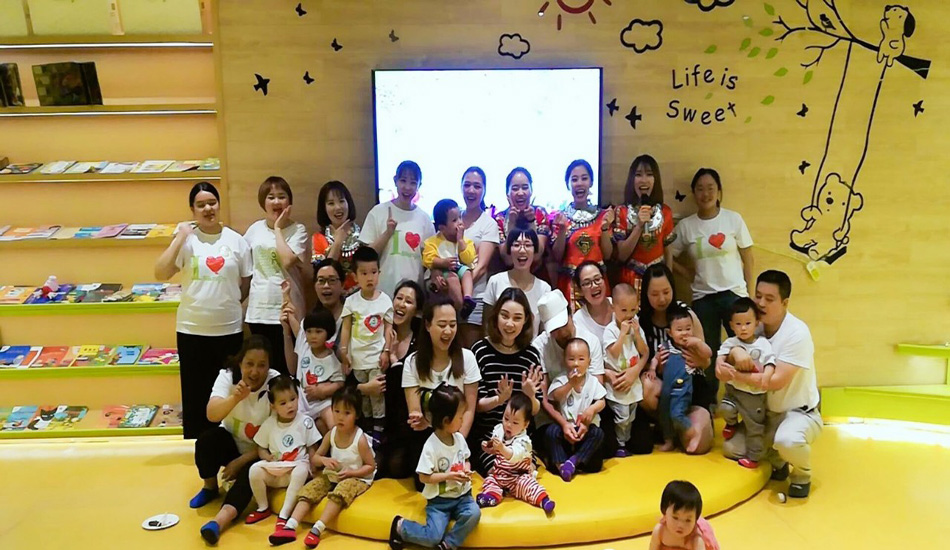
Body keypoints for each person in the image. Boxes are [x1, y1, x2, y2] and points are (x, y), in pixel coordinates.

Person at [154, 181, 252, 439]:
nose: (208, 209)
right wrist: (180, 237)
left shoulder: (236, 241)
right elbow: (160, 272)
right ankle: (199, 449)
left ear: (219, 205)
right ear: (192, 210)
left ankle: (228, 446)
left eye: (212, 203)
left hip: (229, 330)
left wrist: (226, 303)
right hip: (192, 329)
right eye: (201, 205)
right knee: (195, 394)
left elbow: (246, 282)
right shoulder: (187, 241)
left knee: (227, 393)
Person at [719, 270, 821, 499]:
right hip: (766, 415)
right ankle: (777, 459)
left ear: (785, 303)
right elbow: (730, 348)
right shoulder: (754, 325)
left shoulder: (797, 333)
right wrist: (734, 352)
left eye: (769, 298)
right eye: (758, 296)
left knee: (787, 440)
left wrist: (734, 374)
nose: (761, 303)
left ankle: (802, 473)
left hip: (799, 413)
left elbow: (774, 382)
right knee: (731, 448)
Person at [669, 168, 755, 401]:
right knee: (707, 353)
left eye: (710, 188)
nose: (705, 194)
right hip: (703, 298)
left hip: (734, 294)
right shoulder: (687, 226)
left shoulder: (733, 219)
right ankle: (708, 403)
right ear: (693, 193)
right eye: (700, 189)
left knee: (744, 347)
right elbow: (668, 253)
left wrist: (750, 295)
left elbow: (748, 258)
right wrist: (687, 274)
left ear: (719, 192)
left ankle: (747, 399)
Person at [194, 337, 280, 544]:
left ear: (269, 366)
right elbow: (212, 415)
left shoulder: (277, 383)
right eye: (249, 364)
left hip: (260, 452)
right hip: (231, 441)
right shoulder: (227, 376)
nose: (255, 372)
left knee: (251, 474)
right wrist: (235, 398)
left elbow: (277, 437)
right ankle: (210, 488)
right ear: (240, 363)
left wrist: (240, 462)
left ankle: (218, 523)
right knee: (205, 441)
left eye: (262, 365)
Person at [271, 387, 376, 548]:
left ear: (357, 415)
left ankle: (317, 529)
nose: (340, 417)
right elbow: (315, 458)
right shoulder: (332, 433)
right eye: (336, 411)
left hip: (357, 476)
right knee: (312, 487)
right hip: (334, 474)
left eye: (347, 413)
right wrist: (324, 460)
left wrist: (352, 472)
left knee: (341, 491)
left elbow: (370, 466)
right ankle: (290, 526)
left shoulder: (359, 439)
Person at [390, 384, 481, 550]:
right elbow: (423, 477)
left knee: (474, 513)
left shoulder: (459, 438)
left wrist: (466, 468)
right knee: (432, 536)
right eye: (460, 417)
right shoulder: (431, 446)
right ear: (446, 420)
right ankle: (401, 527)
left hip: (463, 497)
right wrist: (449, 476)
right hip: (439, 502)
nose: (463, 420)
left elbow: (466, 458)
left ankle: (448, 544)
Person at [638, 264, 716, 448]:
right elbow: (639, 361)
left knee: (697, 447)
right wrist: (655, 366)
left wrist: (699, 360)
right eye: (654, 294)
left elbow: (707, 359)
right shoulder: (641, 320)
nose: (661, 299)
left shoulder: (685, 314)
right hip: (664, 387)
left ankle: (679, 427)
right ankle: (668, 428)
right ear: (645, 294)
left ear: (673, 289)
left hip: (691, 385)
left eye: (666, 292)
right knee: (646, 386)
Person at [469, 287, 544, 475]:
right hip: (489, 435)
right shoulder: (480, 351)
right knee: (501, 473)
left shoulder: (531, 355)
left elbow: (535, 409)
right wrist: (499, 400)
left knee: (525, 472)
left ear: (526, 320)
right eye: (504, 316)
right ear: (496, 316)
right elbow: (475, 405)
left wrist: (530, 395)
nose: (510, 324)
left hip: (520, 436)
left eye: (517, 318)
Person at [244, 176, 311, 375]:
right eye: (271, 197)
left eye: (281, 196)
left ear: (289, 201)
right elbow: (243, 264)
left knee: (288, 372)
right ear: (263, 202)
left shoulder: (298, 230)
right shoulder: (254, 229)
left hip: (288, 311)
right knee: (262, 373)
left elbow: (287, 260)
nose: (276, 202)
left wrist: (278, 229)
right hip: (258, 312)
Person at [245, 376, 321, 532]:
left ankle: (284, 514)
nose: (290, 405)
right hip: (276, 469)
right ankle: (262, 507)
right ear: (273, 406)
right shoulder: (269, 423)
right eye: (283, 403)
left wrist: (314, 468)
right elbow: (261, 448)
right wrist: (266, 457)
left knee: (301, 470)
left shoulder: (305, 421)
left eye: (293, 399)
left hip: (296, 470)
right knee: (254, 470)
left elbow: (312, 447)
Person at [338, 246, 394, 442]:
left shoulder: (385, 300)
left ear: (379, 273)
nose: (370, 277)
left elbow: (389, 329)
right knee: (363, 397)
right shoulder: (351, 302)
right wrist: (344, 352)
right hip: (357, 358)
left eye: (373, 272)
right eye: (364, 273)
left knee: (377, 394)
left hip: (377, 358)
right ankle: (368, 428)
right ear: (355, 276)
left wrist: (386, 351)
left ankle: (379, 429)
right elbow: (346, 328)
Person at [360, 160, 435, 296]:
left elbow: (429, 262)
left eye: (413, 182)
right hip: (381, 294)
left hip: (413, 297)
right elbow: (366, 257)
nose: (407, 187)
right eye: (403, 180)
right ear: (395, 181)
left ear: (419, 185)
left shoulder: (424, 219)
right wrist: (388, 233)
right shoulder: (378, 212)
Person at [717, 297, 776, 469]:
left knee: (754, 428)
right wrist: (720, 364)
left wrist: (766, 376)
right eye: (738, 324)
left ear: (757, 323)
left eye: (748, 323)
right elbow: (721, 357)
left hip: (754, 397)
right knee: (725, 408)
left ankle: (754, 457)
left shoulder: (763, 344)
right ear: (731, 325)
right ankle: (732, 423)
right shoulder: (731, 342)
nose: (743, 328)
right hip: (734, 392)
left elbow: (770, 362)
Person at [376, 280, 425, 479]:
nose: (402, 304)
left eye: (409, 301)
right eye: (399, 298)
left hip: (407, 422)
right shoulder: (376, 333)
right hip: (379, 417)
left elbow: (404, 387)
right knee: (378, 467)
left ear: (417, 311)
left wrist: (395, 359)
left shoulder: (421, 339)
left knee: (397, 467)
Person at [475, 393, 554, 512]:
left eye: (515, 423)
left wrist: (502, 448)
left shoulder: (524, 441)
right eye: (506, 418)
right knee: (490, 480)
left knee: (528, 485)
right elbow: (495, 450)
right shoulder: (499, 430)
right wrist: (488, 447)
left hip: (518, 476)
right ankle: (492, 497)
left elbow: (515, 455)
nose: (508, 425)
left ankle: (543, 500)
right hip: (500, 475)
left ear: (525, 424)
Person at [544, 338, 607, 481]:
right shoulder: (561, 379)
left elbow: (602, 401)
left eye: (581, 359)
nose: (576, 363)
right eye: (571, 359)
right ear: (564, 360)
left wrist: (592, 409)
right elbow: (555, 396)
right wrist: (570, 384)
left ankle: (573, 462)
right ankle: (561, 465)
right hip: (565, 428)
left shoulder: (592, 381)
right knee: (551, 432)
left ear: (589, 362)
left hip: (584, 428)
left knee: (598, 434)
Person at [551, 159, 612, 303]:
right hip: (570, 286)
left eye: (584, 178)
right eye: (574, 179)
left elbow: (608, 255)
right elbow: (557, 256)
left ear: (591, 182)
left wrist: (604, 228)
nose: (579, 183)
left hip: (597, 284)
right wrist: (562, 230)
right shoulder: (560, 217)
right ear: (568, 185)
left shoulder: (603, 216)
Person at [610, 154, 675, 285]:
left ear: (655, 179)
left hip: (657, 280)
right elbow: (621, 255)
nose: (644, 180)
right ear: (631, 179)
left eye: (649, 174)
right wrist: (639, 226)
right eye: (638, 175)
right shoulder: (621, 211)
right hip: (630, 281)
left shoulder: (665, 212)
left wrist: (669, 281)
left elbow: (668, 252)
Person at [602, 283, 649, 456]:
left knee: (631, 414)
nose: (629, 315)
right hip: (617, 380)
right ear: (613, 308)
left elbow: (644, 351)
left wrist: (637, 334)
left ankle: (626, 440)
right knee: (621, 415)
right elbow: (613, 353)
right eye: (623, 310)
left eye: (633, 310)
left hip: (633, 379)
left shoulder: (637, 326)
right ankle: (620, 443)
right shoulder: (611, 330)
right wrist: (622, 334)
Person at [458, 167, 501, 347]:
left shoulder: (488, 224)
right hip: (449, 296)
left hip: (474, 297)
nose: (471, 190)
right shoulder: (453, 218)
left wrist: (460, 290)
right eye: (467, 185)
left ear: (484, 190)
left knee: (470, 349)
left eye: (477, 186)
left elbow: (482, 267)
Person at [284, 308, 345, 434]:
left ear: (328, 332)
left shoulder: (333, 358)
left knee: (333, 425)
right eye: (309, 331)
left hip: (323, 403)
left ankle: (340, 445)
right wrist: (287, 301)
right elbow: (292, 321)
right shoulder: (304, 345)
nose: (313, 336)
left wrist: (322, 391)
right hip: (302, 403)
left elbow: (339, 383)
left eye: (318, 331)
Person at [483, 228, 551, 337]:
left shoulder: (544, 288)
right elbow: (487, 323)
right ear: (509, 250)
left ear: (535, 250)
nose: (522, 250)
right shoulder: (495, 281)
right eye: (516, 245)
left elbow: (544, 332)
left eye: (528, 245)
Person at [658, 306, 704, 453]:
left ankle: (691, 431)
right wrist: (653, 368)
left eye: (688, 328)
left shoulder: (691, 347)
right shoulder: (666, 346)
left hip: (682, 388)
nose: (684, 333)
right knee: (664, 414)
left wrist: (699, 343)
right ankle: (669, 440)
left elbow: (708, 354)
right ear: (670, 333)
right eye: (679, 330)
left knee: (677, 414)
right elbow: (656, 359)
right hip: (667, 388)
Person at [423, 198, 477, 318]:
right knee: (452, 279)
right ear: (442, 228)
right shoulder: (433, 242)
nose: (460, 222)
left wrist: (461, 241)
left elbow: (469, 259)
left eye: (460, 217)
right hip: (443, 271)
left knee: (467, 272)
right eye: (454, 220)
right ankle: (459, 307)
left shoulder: (465, 241)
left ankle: (468, 299)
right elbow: (428, 259)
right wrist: (443, 262)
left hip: (458, 268)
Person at [491, 167, 550, 276]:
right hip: (508, 278)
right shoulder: (500, 219)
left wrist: (531, 222)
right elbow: (508, 259)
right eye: (515, 188)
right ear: (507, 194)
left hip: (537, 276)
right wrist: (511, 224)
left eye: (525, 187)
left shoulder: (539, 213)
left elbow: (537, 255)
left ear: (531, 191)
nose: (520, 193)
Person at [312, 180, 361, 293]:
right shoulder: (319, 238)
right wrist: (337, 242)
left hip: (359, 297)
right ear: (324, 208)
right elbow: (322, 275)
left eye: (341, 201)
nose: (338, 207)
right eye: (331, 203)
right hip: (330, 297)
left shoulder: (362, 236)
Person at [649, 480, 720, 550]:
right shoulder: (660, 531)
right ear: (664, 512)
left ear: (695, 520)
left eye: (688, 520)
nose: (681, 525)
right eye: (675, 518)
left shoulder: (696, 540)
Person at [571, 261, 613, 343]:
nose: (594, 285)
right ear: (580, 290)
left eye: (597, 279)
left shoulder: (620, 304)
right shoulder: (578, 320)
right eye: (587, 283)